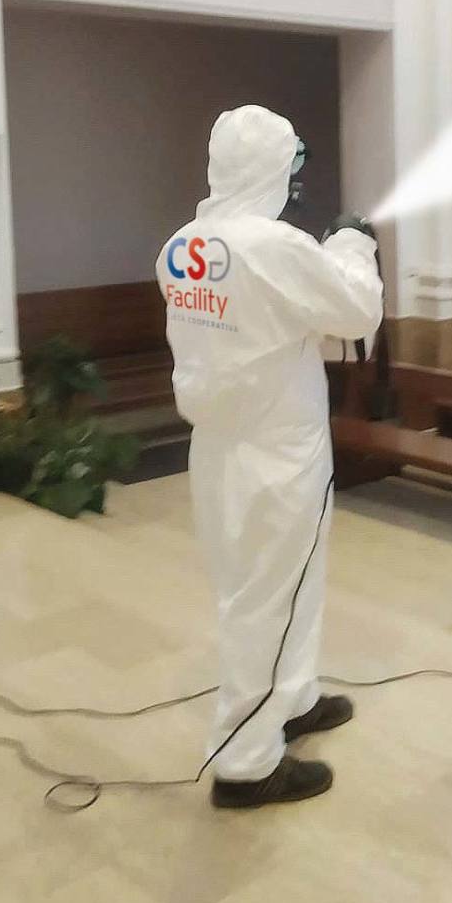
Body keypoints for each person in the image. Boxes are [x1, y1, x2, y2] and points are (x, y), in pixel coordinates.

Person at [156, 105, 383, 809]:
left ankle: (295, 697)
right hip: (279, 452)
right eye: (290, 164)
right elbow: (356, 313)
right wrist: (350, 245)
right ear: (272, 168)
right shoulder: (274, 245)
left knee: (273, 586)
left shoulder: (182, 244)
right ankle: (247, 762)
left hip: (219, 446)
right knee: (264, 598)